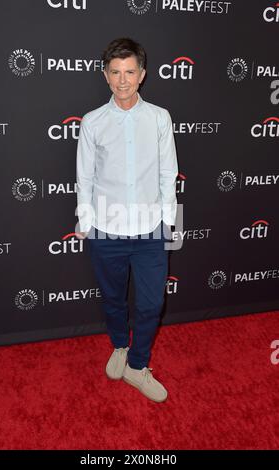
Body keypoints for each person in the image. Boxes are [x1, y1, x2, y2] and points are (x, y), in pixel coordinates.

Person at [76, 37, 178, 402]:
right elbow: (84, 177)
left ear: (142, 75)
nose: (123, 80)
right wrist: (86, 221)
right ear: (106, 76)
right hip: (107, 229)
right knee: (113, 298)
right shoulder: (93, 122)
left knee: (151, 303)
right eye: (115, 73)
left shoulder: (159, 118)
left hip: (151, 230)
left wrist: (169, 222)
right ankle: (120, 345)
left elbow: (169, 173)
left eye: (130, 72)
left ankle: (138, 364)